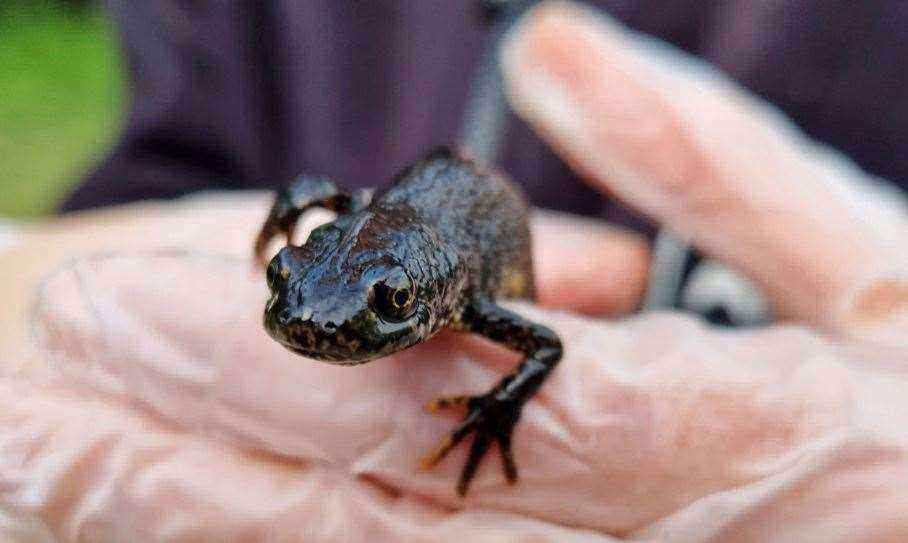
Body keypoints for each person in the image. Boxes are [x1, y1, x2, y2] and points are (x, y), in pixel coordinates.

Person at [2, 1, 907, 541]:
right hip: (409, 208)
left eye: (386, 309)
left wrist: (494, 409)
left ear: (428, 299)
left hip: (480, 227)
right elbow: (257, 171)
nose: (312, 327)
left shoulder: (469, 298)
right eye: (285, 286)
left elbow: (543, 345)